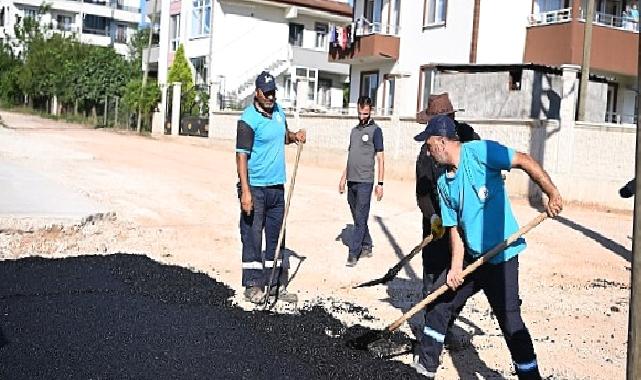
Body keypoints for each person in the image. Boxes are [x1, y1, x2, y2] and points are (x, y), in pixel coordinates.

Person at [411, 115, 563, 379]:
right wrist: (456, 267)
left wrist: (551, 193)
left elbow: (524, 160)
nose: (427, 150)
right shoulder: (443, 184)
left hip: (502, 256)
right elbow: (454, 228)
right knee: (439, 302)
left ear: (443, 141)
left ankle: (530, 376)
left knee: (510, 322)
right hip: (472, 257)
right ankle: (424, 368)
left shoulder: (481, 152)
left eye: (429, 144)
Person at [414, 93, 480, 351]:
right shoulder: (426, 152)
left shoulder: (469, 137)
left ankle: (445, 326)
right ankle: (429, 333)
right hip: (437, 224)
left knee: (458, 277)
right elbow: (421, 194)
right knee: (433, 276)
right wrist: (433, 218)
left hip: (463, 226)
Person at [235, 71, 306, 304]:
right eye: (266, 93)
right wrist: (245, 191)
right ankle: (253, 285)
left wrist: (296, 136)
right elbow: (241, 157)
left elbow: (283, 136)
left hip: (277, 187)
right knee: (253, 237)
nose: (270, 96)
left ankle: (275, 285)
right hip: (255, 187)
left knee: (277, 237)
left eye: (273, 92)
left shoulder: (278, 112)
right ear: (257, 92)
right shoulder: (248, 119)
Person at [338, 96, 385, 267]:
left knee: (361, 214)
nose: (362, 116)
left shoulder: (376, 131)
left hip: (366, 180)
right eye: (360, 112)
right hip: (352, 179)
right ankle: (366, 244)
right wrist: (343, 178)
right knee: (357, 216)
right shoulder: (354, 131)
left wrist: (380, 184)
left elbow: (380, 158)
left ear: (370, 110)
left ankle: (353, 252)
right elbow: (351, 156)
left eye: (365, 113)